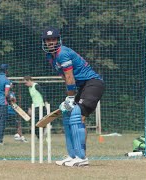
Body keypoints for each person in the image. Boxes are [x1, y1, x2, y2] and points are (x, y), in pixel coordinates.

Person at [41, 27, 105, 167]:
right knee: (68, 115)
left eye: (53, 39)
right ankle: (73, 155)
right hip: (82, 86)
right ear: (44, 42)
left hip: (93, 83)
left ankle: (81, 157)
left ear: (58, 40)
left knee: (77, 115)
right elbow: (65, 78)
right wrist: (68, 98)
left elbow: (70, 76)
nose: (51, 42)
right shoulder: (50, 57)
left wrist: (71, 98)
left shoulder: (62, 53)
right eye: (48, 40)